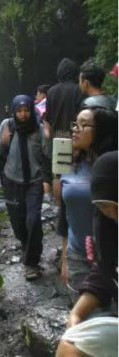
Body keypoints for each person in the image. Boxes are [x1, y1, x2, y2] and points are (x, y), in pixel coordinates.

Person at [56, 150, 117, 357]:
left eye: (116, 208)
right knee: (68, 345)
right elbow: (105, 271)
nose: (112, 216)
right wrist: (75, 313)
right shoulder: (108, 228)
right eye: (104, 208)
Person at [57, 107, 118, 298]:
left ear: (102, 131)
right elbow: (64, 213)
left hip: (112, 258)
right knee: (84, 319)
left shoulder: (112, 167)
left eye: (83, 125)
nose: (75, 129)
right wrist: (65, 259)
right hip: (78, 256)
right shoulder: (69, 161)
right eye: (75, 124)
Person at [0, 95, 51, 280]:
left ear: (31, 111)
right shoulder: (7, 125)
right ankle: (27, 248)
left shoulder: (38, 128)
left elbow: (47, 155)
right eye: (19, 111)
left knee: (33, 220)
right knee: (18, 224)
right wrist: (2, 143)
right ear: (14, 111)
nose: (23, 114)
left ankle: (32, 263)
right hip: (11, 181)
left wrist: (49, 138)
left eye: (26, 110)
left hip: (34, 181)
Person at [44, 58, 85, 140]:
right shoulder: (79, 90)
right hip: (75, 137)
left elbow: (47, 119)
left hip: (56, 138)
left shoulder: (51, 91)